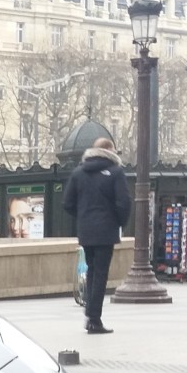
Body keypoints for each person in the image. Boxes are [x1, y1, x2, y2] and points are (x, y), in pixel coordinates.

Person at [63, 137, 131, 334]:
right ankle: (94, 318)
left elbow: (67, 203)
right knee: (100, 274)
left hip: (86, 230)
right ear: (110, 150)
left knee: (92, 271)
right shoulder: (116, 172)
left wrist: (83, 217)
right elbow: (123, 203)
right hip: (106, 231)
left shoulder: (78, 173)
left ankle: (91, 313)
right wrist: (118, 222)